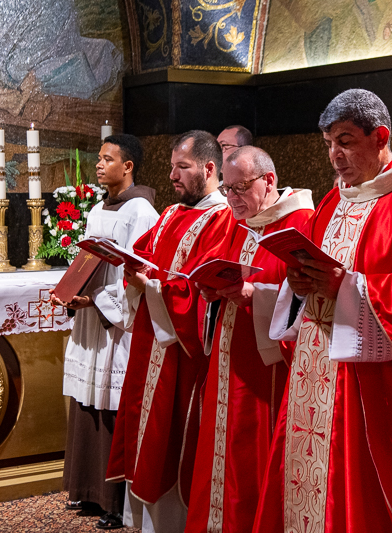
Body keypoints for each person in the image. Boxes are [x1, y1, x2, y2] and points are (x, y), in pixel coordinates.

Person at [253, 88, 392, 533]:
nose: (335, 155)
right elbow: (311, 264)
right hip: (315, 370)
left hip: (370, 386)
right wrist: (299, 283)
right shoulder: (336, 198)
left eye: (346, 141)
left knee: (353, 498)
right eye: (329, 143)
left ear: (381, 136)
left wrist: (345, 287)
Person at [106, 130, 235, 533]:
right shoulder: (173, 214)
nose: (173, 176)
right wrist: (129, 266)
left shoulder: (222, 219)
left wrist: (154, 283)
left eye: (183, 167)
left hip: (180, 356)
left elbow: (203, 289)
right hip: (149, 348)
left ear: (209, 169)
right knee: (144, 440)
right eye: (172, 167)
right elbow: (143, 254)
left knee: (170, 443)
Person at [184, 147, 314, 533]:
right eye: (226, 189)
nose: (232, 199)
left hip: (267, 370)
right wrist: (211, 293)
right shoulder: (235, 221)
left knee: (252, 459)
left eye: (239, 188)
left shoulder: (302, 221)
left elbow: (308, 299)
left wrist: (253, 296)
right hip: (227, 360)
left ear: (268, 181)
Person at [51, 134, 159, 530]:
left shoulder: (142, 212)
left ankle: (113, 501)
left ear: (127, 167)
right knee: (86, 399)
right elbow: (87, 261)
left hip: (116, 325)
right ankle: (86, 489)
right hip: (91, 321)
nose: (98, 165)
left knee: (110, 405)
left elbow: (138, 273)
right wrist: (72, 290)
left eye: (106, 159)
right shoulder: (98, 208)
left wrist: (95, 300)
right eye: (98, 158)